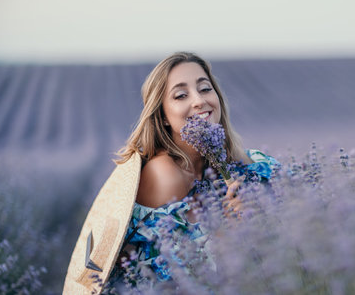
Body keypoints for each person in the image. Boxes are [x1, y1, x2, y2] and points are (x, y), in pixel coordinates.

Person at [107, 52, 280, 288]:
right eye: (181, 95)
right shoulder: (165, 175)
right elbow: (185, 280)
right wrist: (231, 229)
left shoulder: (239, 162)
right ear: (163, 116)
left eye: (205, 89)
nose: (199, 101)